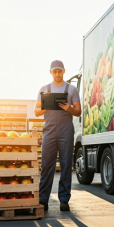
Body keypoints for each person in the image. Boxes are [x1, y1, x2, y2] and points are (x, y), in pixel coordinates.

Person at [34, 60, 81, 211]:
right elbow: (36, 112)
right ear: (50, 72)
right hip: (49, 129)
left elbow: (78, 111)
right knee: (47, 164)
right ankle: (43, 200)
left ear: (64, 71)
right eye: (54, 71)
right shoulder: (44, 89)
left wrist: (69, 108)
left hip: (66, 128)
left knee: (66, 163)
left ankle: (64, 200)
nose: (57, 74)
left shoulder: (71, 89)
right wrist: (47, 105)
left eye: (60, 71)